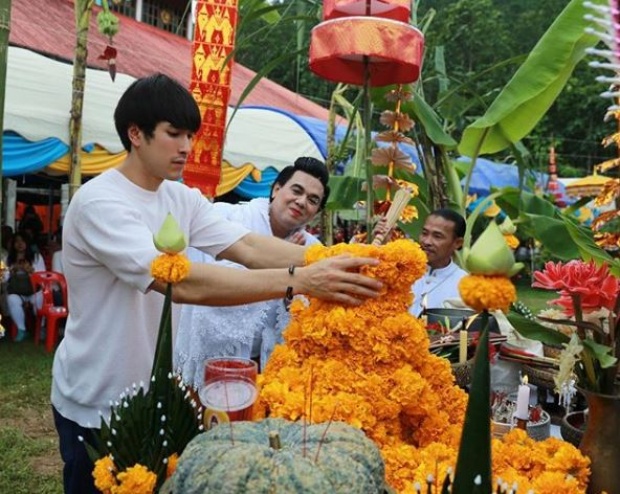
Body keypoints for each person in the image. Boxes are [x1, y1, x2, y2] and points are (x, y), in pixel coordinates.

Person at [50, 73, 382, 494]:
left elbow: (246, 247)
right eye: (174, 134)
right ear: (136, 134)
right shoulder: (101, 202)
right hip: (98, 397)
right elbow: (182, 283)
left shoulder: (180, 197)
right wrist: (301, 281)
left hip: (157, 396)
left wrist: (338, 260)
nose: (187, 147)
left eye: (190, 135)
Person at [175, 157, 329, 388]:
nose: (301, 201)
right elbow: (207, 280)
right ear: (276, 189)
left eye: (312, 200)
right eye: (296, 190)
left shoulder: (314, 250)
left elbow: (307, 316)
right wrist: (285, 264)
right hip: (207, 360)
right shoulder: (225, 217)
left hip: (264, 367)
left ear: (316, 211)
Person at [408, 209, 468, 316]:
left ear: (457, 243)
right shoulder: (403, 270)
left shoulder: (465, 285)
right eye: (424, 233)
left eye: (437, 236)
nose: (427, 242)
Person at [3, 232, 45, 341]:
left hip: (34, 290)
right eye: (16, 241)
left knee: (40, 300)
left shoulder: (36, 257)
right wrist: (11, 271)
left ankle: (41, 328)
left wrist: (31, 271)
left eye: (22, 241)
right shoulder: (8, 258)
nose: (19, 243)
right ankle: (21, 330)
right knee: (12, 299)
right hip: (17, 291)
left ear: (27, 243)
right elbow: (2, 278)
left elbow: (43, 277)